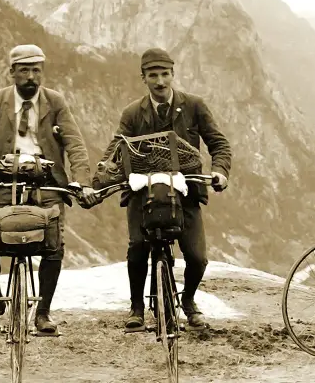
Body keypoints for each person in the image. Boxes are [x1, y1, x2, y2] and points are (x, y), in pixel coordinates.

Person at [0, 44, 98, 334]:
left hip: (47, 183)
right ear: (12, 73)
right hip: (1, 183)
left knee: (53, 245)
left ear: (43, 72)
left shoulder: (56, 102)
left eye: (36, 70)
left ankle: (43, 312)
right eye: (24, 70)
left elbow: (75, 144)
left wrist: (81, 181)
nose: (31, 76)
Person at [97, 47, 231, 331]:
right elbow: (117, 146)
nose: (160, 82)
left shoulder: (194, 106)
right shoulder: (132, 113)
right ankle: (136, 306)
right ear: (143, 78)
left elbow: (219, 143)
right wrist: (105, 168)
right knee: (137, 247)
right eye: (153, 75)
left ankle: (189, 300)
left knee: (197, 257)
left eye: (165, 74)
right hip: (143, 192)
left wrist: (219, 172)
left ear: (173, 74)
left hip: (185, 192)